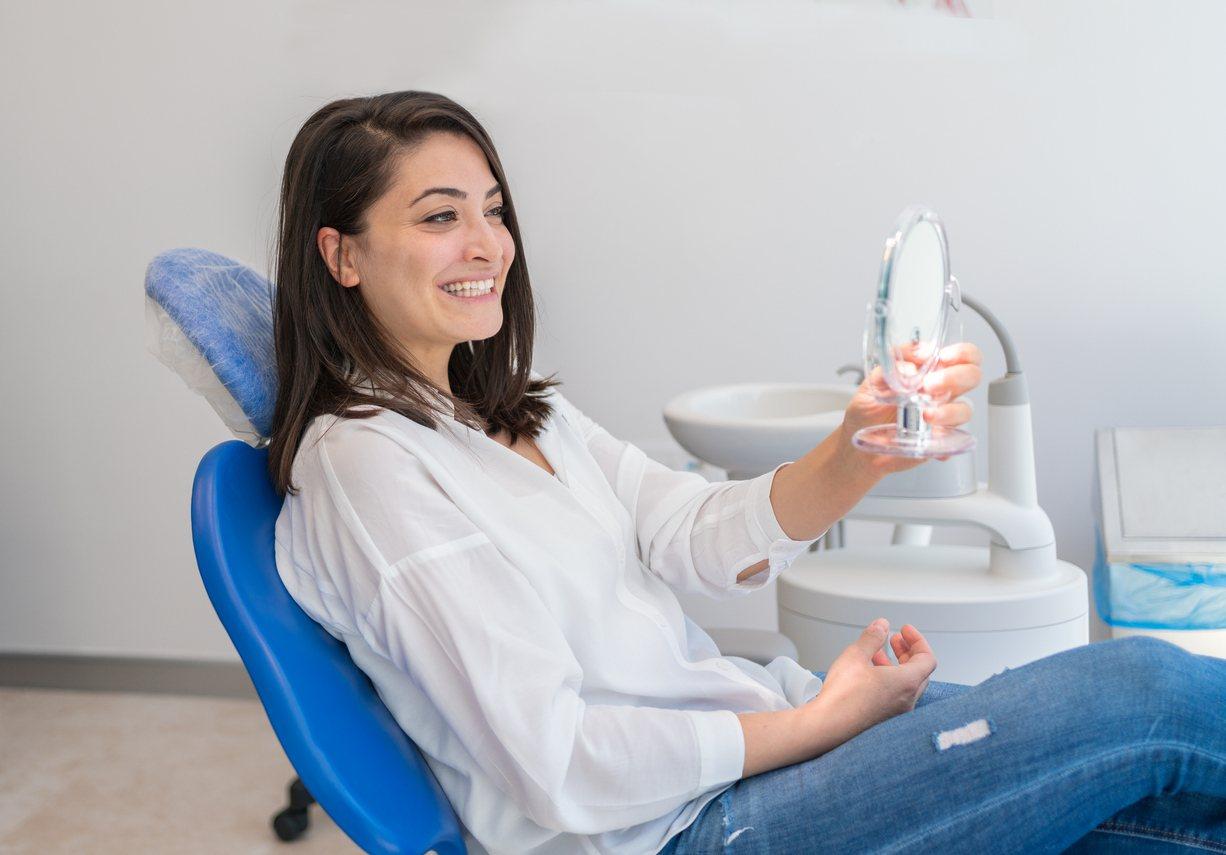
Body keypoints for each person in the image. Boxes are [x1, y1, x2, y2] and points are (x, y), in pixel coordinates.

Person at [268, 90, 1226, 854]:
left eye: (493, 211)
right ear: (341, 253)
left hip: (753, 747)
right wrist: (825, 718)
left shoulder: (522, 415)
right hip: (685, 829)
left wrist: (860, 447)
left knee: (1168, 819)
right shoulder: (368, 466)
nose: (487, 246)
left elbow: (692, 535)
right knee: (1145, 694)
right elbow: (556, 763)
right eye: (441, 218)